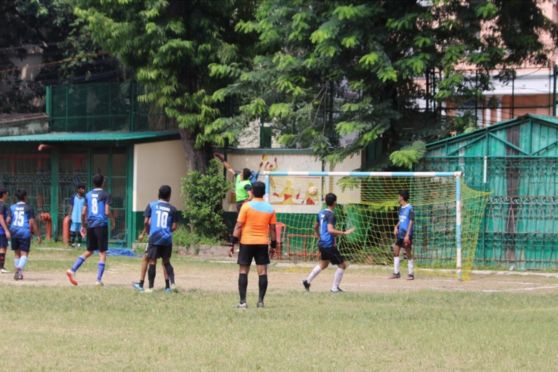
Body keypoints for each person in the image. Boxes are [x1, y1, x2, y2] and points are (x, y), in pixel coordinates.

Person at [231, 181, 276, 308]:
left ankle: (243, 302)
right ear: (264, 192)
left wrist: (232, 243)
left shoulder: (246, 206)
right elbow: (272, 229)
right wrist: (273, 246)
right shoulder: (270, 208)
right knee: (262, 272)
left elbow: (239, 225)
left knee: (243, 271)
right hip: (262, 243)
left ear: (252, 192)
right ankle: (260, 302)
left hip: (246, 242)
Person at [302, 193, 354, 293]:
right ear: (335, 202)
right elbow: (330, 230)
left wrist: (319, 236)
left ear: (325, 202)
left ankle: (307, 281)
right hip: (328, 244)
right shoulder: (331, 215)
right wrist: (344, 232)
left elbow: (315, 227)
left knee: (323, 264)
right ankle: (334, 288)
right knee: (342, 265)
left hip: (322, 243)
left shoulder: (321, 213)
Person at [66, 174, 111, 286]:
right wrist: (113, 219)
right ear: (103, 182)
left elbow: (83, 212)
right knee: (102, 252)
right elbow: (106, 212)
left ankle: (72, 270)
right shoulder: (105, 194)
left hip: (90, 225)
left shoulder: (88, 195)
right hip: (101, 225)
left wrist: (83, 225)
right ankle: (98, 280)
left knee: (90, 250)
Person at [133, 185, 179, 293]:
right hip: (167, 239)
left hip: (154, 238)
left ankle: (150, 287)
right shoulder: (173, 209)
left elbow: (146, 222)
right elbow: (174, 227)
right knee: (166, 261)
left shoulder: (151, 205)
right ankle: (169, 286)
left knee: (152, 261)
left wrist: (147, 232)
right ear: (169, 196)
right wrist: (166, 232)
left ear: (158, 194)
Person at [10, 190, 41, 280]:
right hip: (24, 232)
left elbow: (8, 220)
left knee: (16, 253)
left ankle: (18, 272)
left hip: (14, 231)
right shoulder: (28, 208)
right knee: (24, 254)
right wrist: (38, 234)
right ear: (25, 197)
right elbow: (32, 222)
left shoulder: (12, 207)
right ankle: (19, 269)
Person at [389, 190, 415, 280]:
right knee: (396, 251)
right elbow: (401, 219)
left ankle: (411, 274)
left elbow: (411, 221)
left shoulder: (410, 208)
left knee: (408, 253)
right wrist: (396, 226)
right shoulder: (401, 208)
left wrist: (408, 235)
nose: (398, 198)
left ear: (402, 197)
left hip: (407, 234)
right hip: (400, 234)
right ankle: (396, 273)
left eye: (399, 196)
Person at [68, 184, 86, 248]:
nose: (83, 190)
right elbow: (71, 206)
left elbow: (86, 208)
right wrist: (69, 215)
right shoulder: (73, 197)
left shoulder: (84, 198)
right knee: (73, 231)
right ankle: (72, 243)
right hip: (74, 217)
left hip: (81, 218)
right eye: (82, 188)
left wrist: (85, 217)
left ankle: (79, 244)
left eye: (84, 189)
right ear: (78, 190)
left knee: (80, 231)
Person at [0, 188, 11, 273]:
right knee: (3, 248)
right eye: (7, 193)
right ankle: (1, 267)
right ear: (3, 194)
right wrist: (6, 230)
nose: (7, 195)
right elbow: (0, 217)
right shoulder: (2, 204)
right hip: (1, 230)